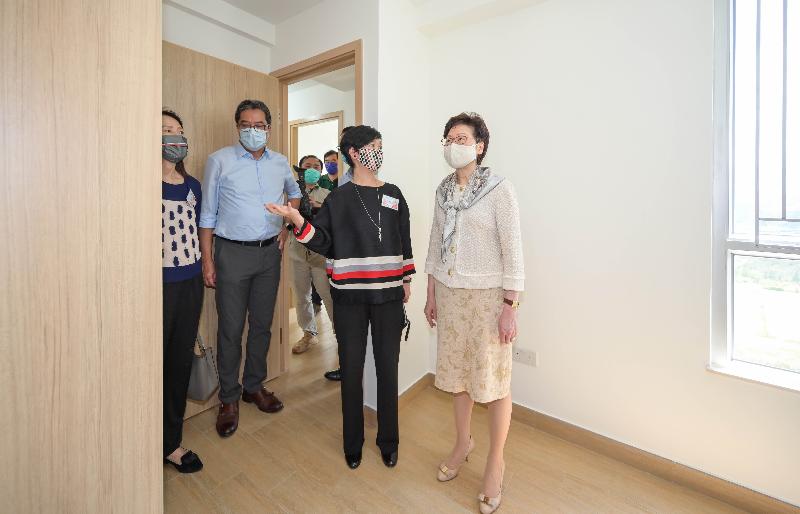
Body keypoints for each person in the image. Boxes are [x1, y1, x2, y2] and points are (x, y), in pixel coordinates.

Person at [267, 125, 415, 470]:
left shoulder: (394, 194)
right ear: (355, 152)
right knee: (351, 368)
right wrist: (296, 219)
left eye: (381, 146)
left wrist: (406, 279)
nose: (380, 152)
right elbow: (322, 240)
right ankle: (353, 443)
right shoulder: (339, 198)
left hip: (389, 295)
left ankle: (388, 441)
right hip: (349, 297)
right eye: (374, 147)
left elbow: (404, 240)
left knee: (387, 369)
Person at [424, 112, 524, 514]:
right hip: (450, 294)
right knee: (459, 376)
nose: (453, 144)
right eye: (448, 138)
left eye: (461, 137)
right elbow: (434, 242)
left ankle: (495, 463)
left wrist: (510, 307)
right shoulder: (443, 191)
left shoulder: (500, 190)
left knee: (494, 382)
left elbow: (513, 249)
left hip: (488, 299)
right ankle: (463, 442)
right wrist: (431, 292)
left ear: (479, 146)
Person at [199, 99, 302, 438]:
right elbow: (208, 215)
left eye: (260, 125)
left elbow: (295, 194)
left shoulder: (281, 162)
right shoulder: (219, 161)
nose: (253, 130)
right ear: (237, 126)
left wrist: (286, 226)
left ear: (269, 128)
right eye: (247, 124)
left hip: (269, 254)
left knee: (262, 325)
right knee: (230, 328)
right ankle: (228, 399)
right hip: (231, 254)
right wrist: (209, 258)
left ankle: (253, 386)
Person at [161, 109, 204, 473]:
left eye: (178, 130)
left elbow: (198, 228)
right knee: (149, 365)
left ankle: (170, 443)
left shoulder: (193, 186)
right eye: (165, 131)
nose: (174, 136)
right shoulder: (140, 181)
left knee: (177, 364)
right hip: (155, 288)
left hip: (190, 284)